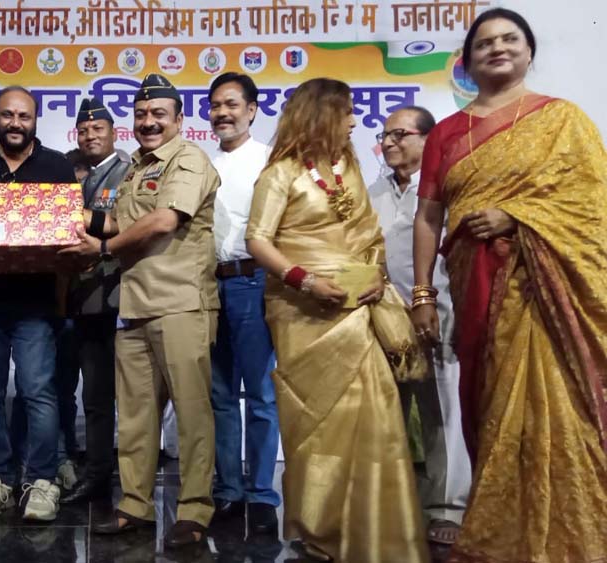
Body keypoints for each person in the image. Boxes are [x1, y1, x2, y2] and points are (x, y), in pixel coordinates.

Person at [412, 9, 607, 562]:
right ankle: (501, 530)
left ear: (528, 51)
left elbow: (591, 207)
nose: (497, 48)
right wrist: (423, 295)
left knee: (557, 406)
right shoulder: (446, 133)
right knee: (491, 403)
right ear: (468, 61)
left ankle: (567, 533)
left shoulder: (563, 120)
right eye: (485, 43)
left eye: (509, 39)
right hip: (476, 285)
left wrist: (516, 216)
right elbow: (428, 218)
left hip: (546, 292)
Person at [244, 77, 428, 562]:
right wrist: (305, 281)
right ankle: (322, 530)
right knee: (316, 423)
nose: (354, 121)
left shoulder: (350, 167)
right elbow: (257, 240)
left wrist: (377, 276)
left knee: (376, 410)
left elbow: (369, 235)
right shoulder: (281, 174)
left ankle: (373, 526)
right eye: (347, 112)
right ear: (323, 115)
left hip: (357, 307)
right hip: (302, 311)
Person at [63, 74, 220, 549]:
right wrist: (59, 214)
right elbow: (118, 220)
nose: (148, 122)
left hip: (179, 303)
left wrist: (103, 249)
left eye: (158, 114)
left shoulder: (189, 159)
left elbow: (163, 220)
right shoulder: (135, 167)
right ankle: (135, 504)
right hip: (133, 305)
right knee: (133, 415)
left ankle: (194, 510)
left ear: (179, 119)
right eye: (141, 114)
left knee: (191, 414)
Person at [0, 86, 75, 521]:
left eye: (24, 116)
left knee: (38, 392)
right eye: (8, 115)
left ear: (36, 119)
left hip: (35, 302)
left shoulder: (56, 165)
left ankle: (41, 480)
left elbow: (70, 226)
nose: (15, 123)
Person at [369, 106, 472, 546]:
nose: (389, 142)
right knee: (387, 413)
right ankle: (399, 503)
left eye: (400, 134)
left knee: (440, 410)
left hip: (437, 311)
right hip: (383, 319)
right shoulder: (374, 190)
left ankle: (448, 508)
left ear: (428, 140)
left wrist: (431, 302)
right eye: (385, 135)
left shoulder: (445, 187)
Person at [206, 72, 281, 535]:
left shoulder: (271, 162)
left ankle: (262, 493)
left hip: (254, 283)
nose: (222, 113)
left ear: (252, 110)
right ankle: (229, 489)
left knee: (259, 394)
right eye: (215, 105)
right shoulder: (204, 165)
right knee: (218, 395)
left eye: (231, 104)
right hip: (209, 286)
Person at [60, 97, 131, 505]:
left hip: (122, 297)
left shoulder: (128, 172)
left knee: (133, 397)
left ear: (113, 133)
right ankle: (98, 474)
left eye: (98, 129)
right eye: (84, 130)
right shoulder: (77, 177)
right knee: (96, 398)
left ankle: (132, 478)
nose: (90, 136)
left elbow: (133, 226)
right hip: (86, 301)